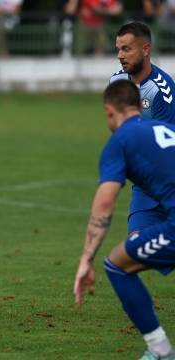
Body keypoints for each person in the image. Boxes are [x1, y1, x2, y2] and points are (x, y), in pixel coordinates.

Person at [74, 79, 175, 360]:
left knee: (117, 265)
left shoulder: (119, 141)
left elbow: (104, 204)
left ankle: (160, 350)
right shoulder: (168, 129)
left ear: (109, 111)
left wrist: (86, 259)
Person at [110, 22, 175, 236]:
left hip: (169, 181)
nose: (120, 55)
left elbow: (169, 144)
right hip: (145, 184)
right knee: (134, 245)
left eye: (126, 49)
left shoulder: (161, 90)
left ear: (145, 49)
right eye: (118, 49)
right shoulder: (117, 81)